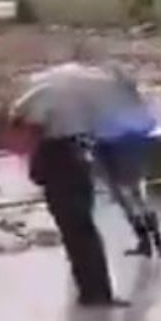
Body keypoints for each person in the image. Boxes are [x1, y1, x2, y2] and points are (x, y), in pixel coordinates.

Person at [28, 128, 121, 308]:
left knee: (77, 246)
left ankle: (90, 293)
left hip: (64, 200)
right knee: (87, 245)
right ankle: (97, 293)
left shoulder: (67, 144)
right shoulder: (62, 146)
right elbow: (37, 175)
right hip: (70, 200)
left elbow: (37, 176)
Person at [94, 133, 161, 258]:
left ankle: (144, 242)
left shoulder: (101, 127)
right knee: (142, 202)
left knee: (128, 207)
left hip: (116, 167)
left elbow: (100, 153)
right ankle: (157, 239)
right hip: (133, 165)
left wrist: (107, 176)